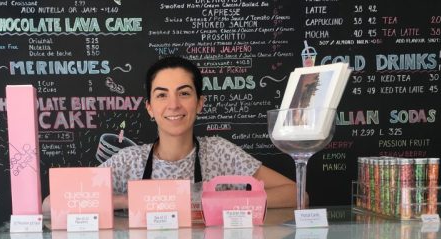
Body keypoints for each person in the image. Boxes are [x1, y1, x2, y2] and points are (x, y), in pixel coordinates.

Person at [99, 56, 298, 209]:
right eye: (162, 95)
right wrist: (129, 200)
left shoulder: (219, 152)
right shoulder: (129, 161)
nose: (174, 105)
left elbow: (296, 194)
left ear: (200, 103)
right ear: (150, 108)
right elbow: (71, 198)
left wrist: (218, 202)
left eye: (184, 93)